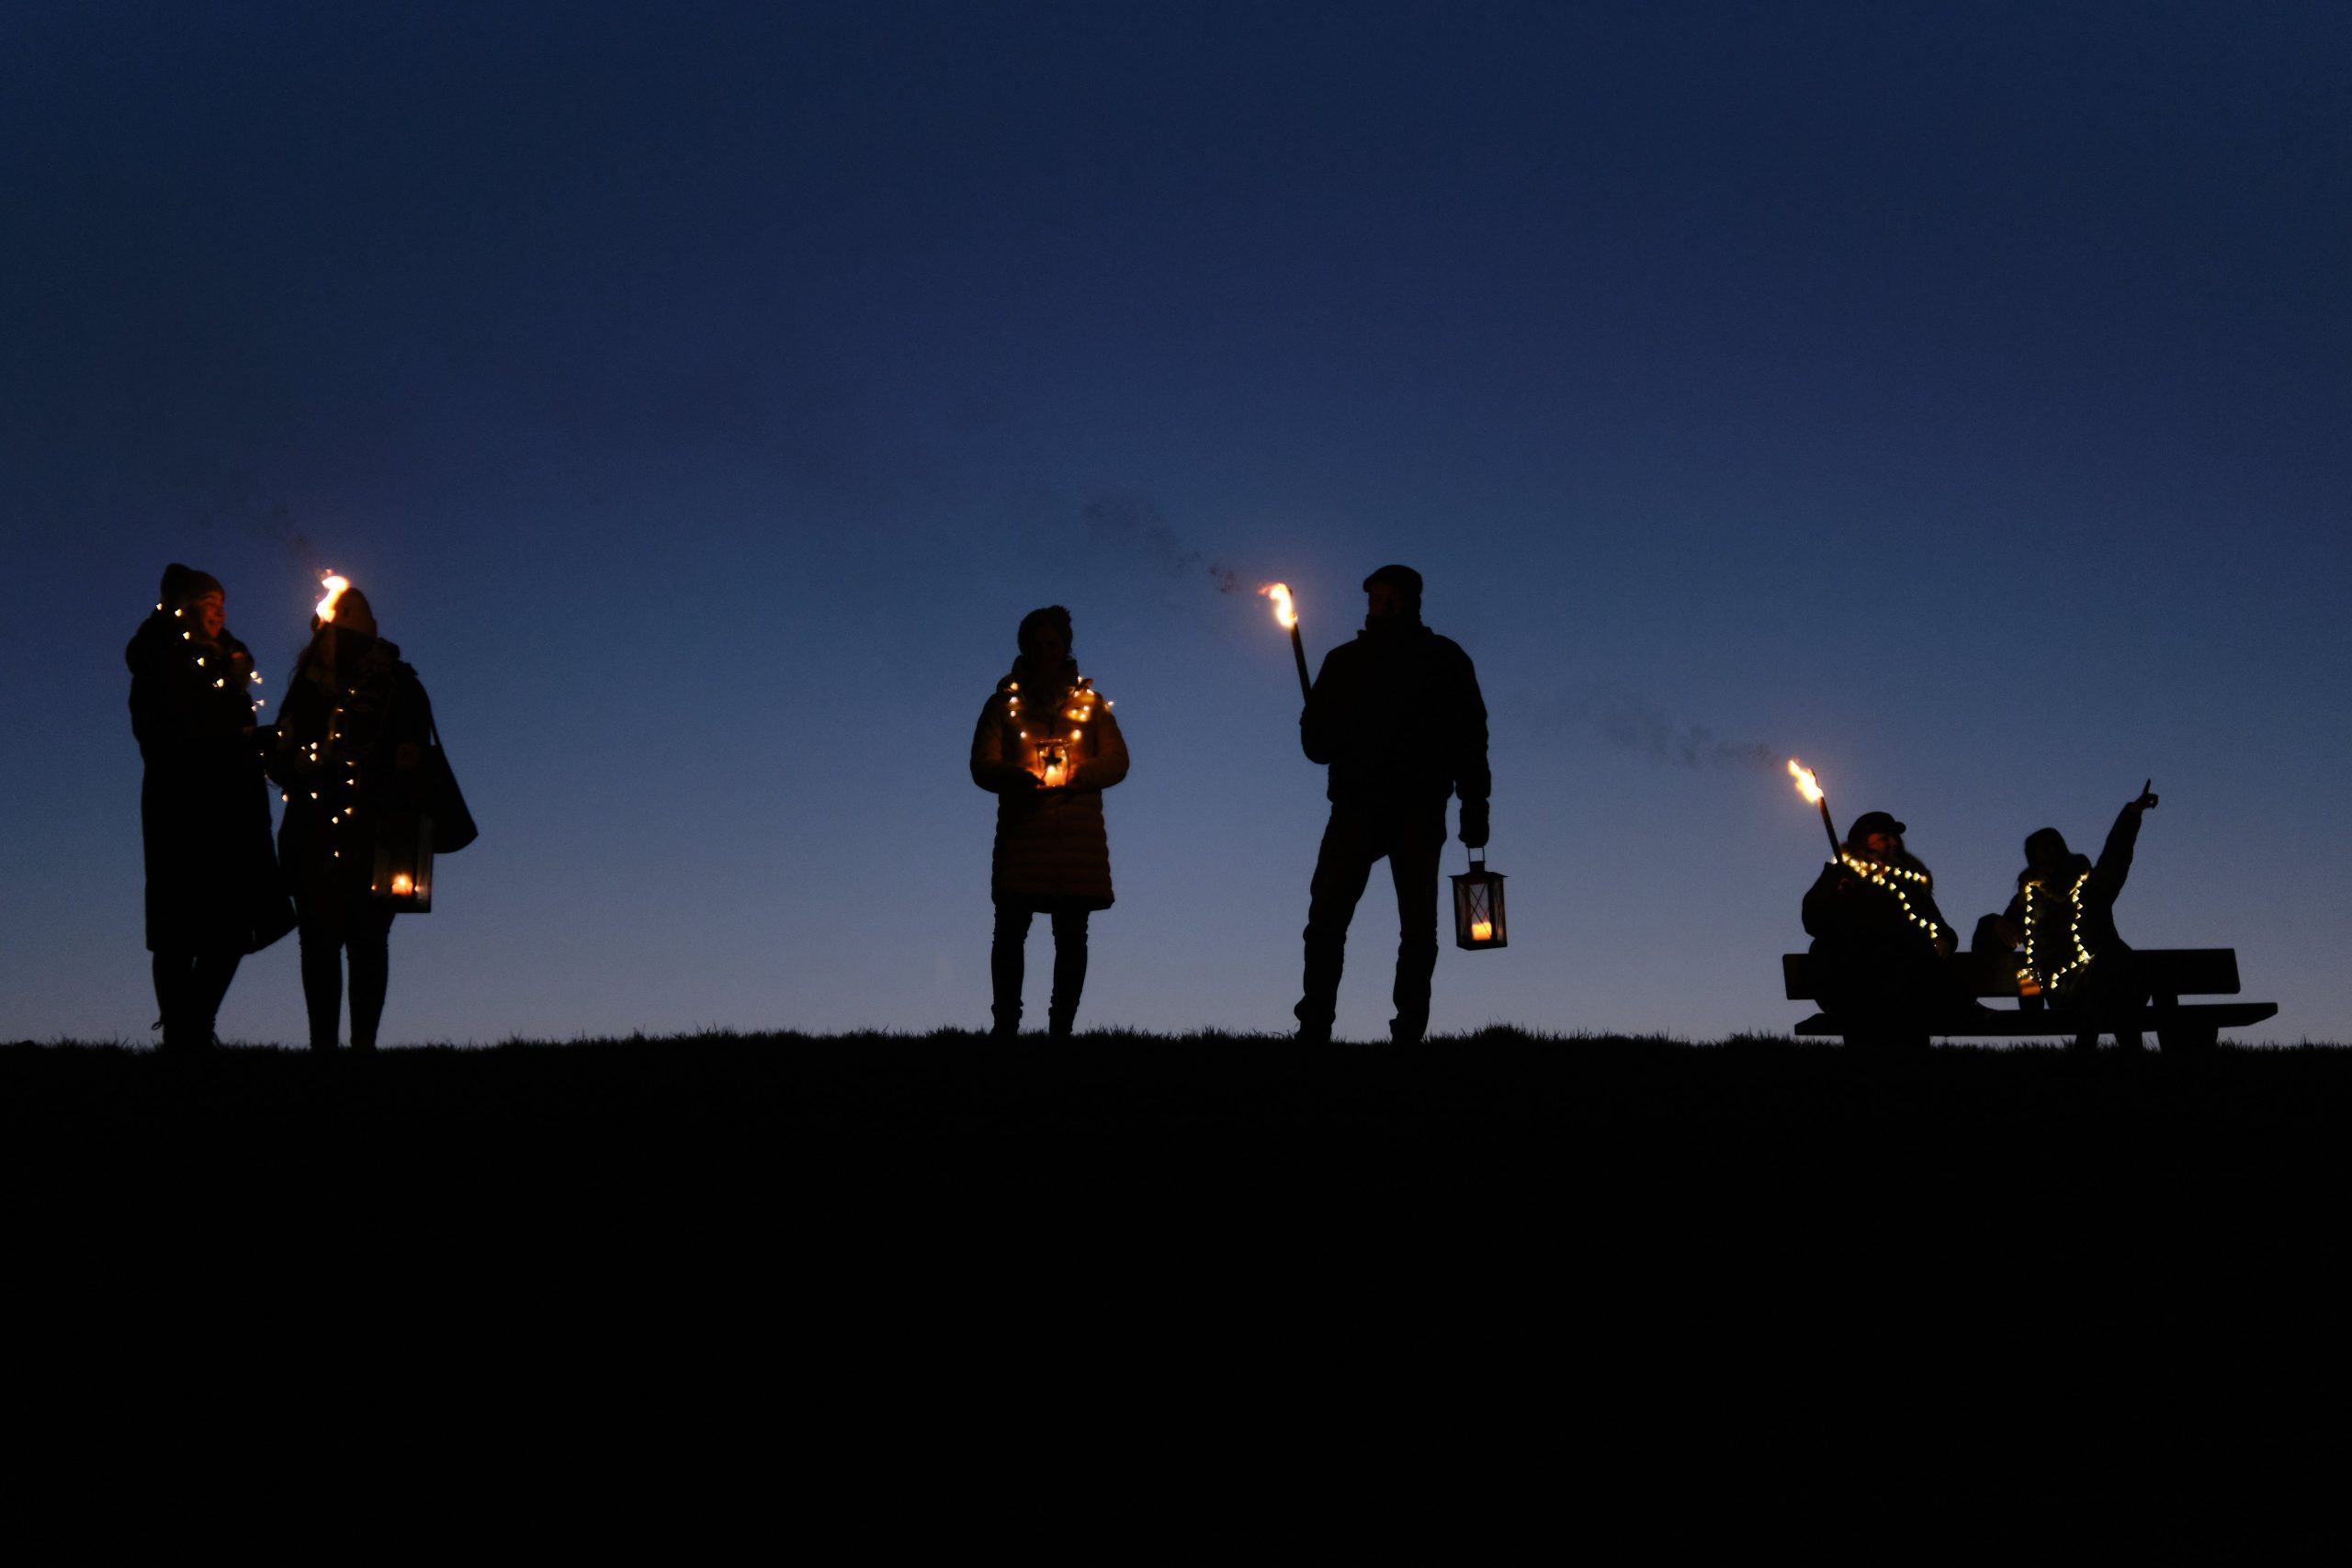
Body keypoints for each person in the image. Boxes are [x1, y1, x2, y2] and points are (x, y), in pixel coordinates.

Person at [1293, 564, 1489, 1046]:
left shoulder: (1444, 661)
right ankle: (1314, 1024)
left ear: (1407, 602)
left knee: (1418, 928)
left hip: (1417, 811)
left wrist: (1474, 804)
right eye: (1373, 599)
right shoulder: (1344, 662)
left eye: (1385, 599)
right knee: (1326, 920)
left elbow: (1469, 738)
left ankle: (1408, 1032)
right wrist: (1314, 725)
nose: (1376, 608)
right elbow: (1318, 748)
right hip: (1355, 807)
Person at [125, 564, 296, 1049]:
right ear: (183, 604)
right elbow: (160, 734)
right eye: (208, 600)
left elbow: (236, 736)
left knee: (233, 921)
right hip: (179, 805)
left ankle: (193, 1025)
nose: (219, 609)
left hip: (235, 809)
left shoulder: (229, 666)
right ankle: (184, 1032)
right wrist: (237, 740)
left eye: (222, 601)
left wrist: (261, 744)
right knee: (177, 924)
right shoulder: (158, 658)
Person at [267, 583, 434, 1051]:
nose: (346, 616)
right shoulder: (308, 684)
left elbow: (416, 741)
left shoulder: (398, 682)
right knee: (318, 941)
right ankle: (324, 1045)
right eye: (341, 610)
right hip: (310, 826)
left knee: (368, 939)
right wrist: (289, 763)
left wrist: (405, 754)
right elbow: (280, 748)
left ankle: (363, 1046)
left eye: (356, 609)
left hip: (377, 826)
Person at [969, 605, 1130, 1040]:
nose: (1044, 652)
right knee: (1009, 934)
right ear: (1025, 648)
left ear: (1065, 648)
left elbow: (1118, 760)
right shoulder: (1003, 704)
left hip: (1077, 842)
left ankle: (1062, 1029)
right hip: (1023, 836)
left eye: (1052, 644)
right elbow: (982, 764)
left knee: (1072, 936)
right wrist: (1016, 778)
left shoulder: (1091, 705)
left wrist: (1081, 777)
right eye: (1036, 645)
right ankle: (1006, 1026)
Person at [1984, 784, 2161, 1050]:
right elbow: (1989, 948)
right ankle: (2112, 1051)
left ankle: (2105, 1051)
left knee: (2113, 973)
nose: (2046, 857)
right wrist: (1992, 923)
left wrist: (2131, 813)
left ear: (2062, 851)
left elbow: (2116, 857)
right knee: (2111, 986)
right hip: (2061, 988)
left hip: (2109, 978)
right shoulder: (2026, 899)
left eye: (2051, 849)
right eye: (2039, 852)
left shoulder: (2090, 888)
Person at [1800, 808, 1967, 1044]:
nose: (1894, 842)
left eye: (1895, 836)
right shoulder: (1840, 874)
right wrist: (1836, 895)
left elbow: (1939, 926)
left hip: (1908, 986)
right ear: (1864, 841)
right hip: (1855, 985)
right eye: (1884, 837)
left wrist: (1944, 939)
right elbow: (1813, 921)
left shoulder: (1909, 882)